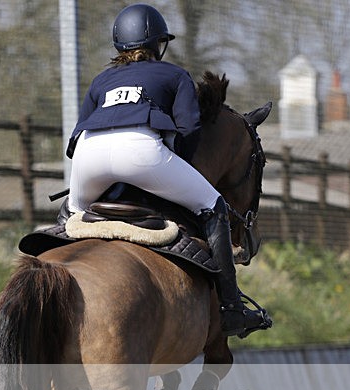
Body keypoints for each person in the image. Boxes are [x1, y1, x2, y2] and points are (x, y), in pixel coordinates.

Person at [64, 3, 265, 338]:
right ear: (159, 44)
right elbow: (189, 129)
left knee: (71, 217)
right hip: (142, 153)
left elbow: (77, 135)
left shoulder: (101, 80)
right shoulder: (174, 75)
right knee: (213, 205)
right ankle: (231, 308)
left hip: (88, 156)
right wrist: (173, 165)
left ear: (119, 47)